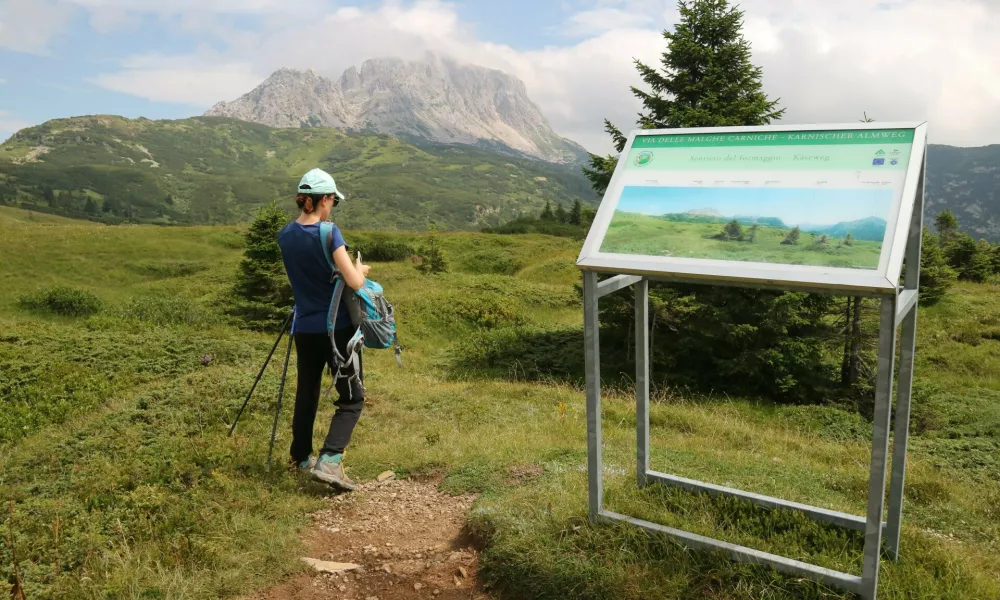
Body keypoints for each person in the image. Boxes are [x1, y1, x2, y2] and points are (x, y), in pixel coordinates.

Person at [277, 167, 370, 492]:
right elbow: (355, 282)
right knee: (352, 397)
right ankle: (330, 459)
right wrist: (360, 269)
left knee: (308, 392)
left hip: (304, 327)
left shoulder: (285, 234)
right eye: (333, 201)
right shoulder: (329, 233)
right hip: (337, 331)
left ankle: (300, 458)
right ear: (325, 200)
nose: (333, 207)